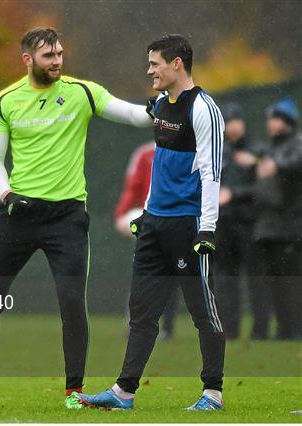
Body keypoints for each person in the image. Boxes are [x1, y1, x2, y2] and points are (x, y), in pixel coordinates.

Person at [0, 27, 153, 409]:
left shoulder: (82, 92)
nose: (57, 62)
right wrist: (6, 194)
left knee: (71, 302)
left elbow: (134, 115)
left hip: (67, 218)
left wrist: (164, 105)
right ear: (28, 59)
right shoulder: (6, 101)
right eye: (48, 56)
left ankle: (74, 392)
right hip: (16, 214)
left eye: (60, 54)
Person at [77, 34, 226, 411]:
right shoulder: (160, 103)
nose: (149, 70)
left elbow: (211, 174)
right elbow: (159, 164)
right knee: (142, 312)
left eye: (155, 63)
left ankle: (213, 394)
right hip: (154, 225)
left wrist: (207, 228)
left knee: (202, 311)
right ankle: (123, 393)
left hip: (188, 225)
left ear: (177, 63)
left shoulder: (204, 109)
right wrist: (146, 212)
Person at [223, 97, 302, 340]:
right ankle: (284, 330)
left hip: (287, 225)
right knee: (277, 282)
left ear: (287, 121)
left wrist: (261, 163)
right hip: (270, 226)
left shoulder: (290, 147)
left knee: (288, 282)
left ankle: (289, 330)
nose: (270, 123)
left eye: (275, 119)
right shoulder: (272, 148)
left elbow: (288, 166)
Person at [114, 141, 180, 340]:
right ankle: (137, 325)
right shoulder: (144, 154)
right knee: (145, 273)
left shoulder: (189, 150)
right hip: (149, 220)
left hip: (178, 220)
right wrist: (122, 213)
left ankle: (167, 328)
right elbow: (132, 187)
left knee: (171, 275)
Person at [214, 103, 263, 339]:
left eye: (235, 121)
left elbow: (264, 190)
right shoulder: (219, 152)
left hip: (249, 223)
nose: (232, 126)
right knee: (225, 278)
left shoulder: (257, 152)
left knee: (255, 278)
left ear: (243, 123)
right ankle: (229, 330)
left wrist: (235, 193)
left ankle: (260, 331)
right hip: (223, 223)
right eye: (227, 122)